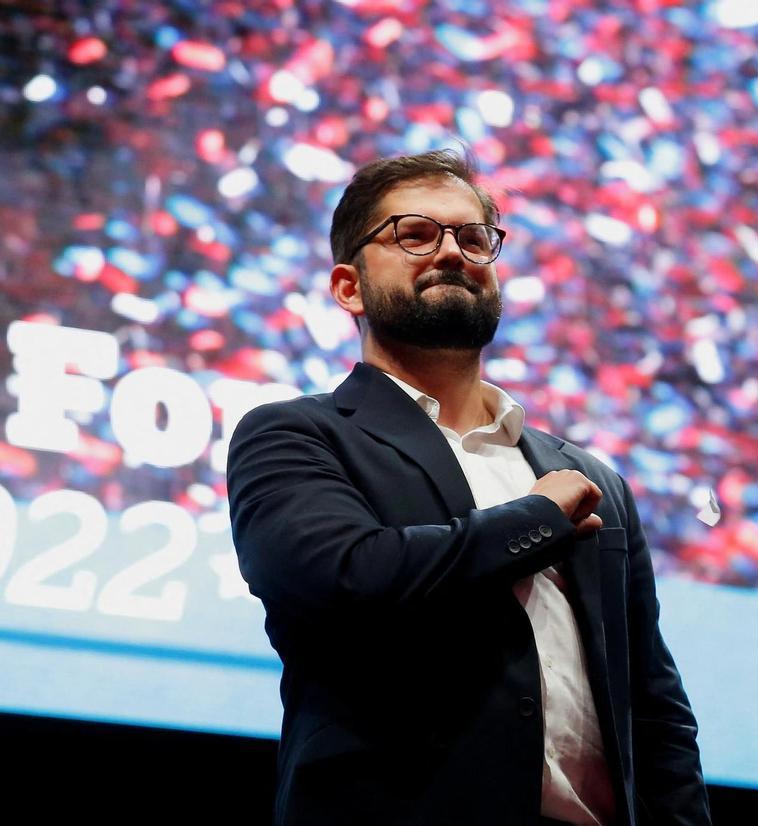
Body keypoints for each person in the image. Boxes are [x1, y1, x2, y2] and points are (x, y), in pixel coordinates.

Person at [226, 150, 711, 826]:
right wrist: (538, 519)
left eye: (473, 237)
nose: (452, 252)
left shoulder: (593, 479)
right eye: (415, 234)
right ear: (349, 287)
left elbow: (653, 706)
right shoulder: (296, 436)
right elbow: (347, 578)